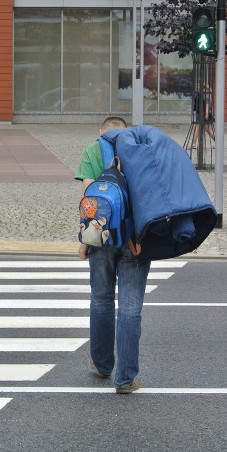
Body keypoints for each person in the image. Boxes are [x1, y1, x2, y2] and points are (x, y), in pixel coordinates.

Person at [75, 116, 150, 394]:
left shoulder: (94, 150)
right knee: (130, 309)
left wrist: (85, 239)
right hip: (134, 241)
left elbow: (88, 196)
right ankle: (126, 379)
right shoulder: (139, 149)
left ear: (101, 130)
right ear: (126, 131)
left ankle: (103, 364)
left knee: (101, 300)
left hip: (101, 238)